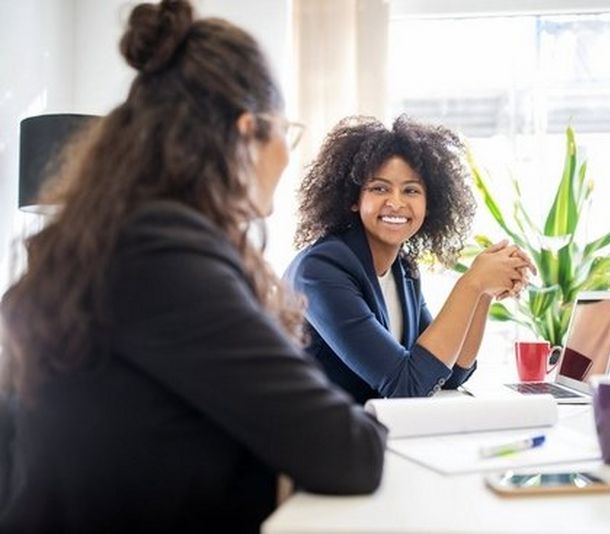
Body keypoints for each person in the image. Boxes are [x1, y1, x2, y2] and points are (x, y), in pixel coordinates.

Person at [0, 1, 386, 532]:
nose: (286, 153)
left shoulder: (121, 239)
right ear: (247, 132)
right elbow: (350, 451)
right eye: (285, 131)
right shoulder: (162, 258)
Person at [285, 115, 534, 405]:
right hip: (305, 430)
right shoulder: (320, 270)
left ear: (429, 205)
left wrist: (484, 293)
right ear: (353, 198)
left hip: (363, 425)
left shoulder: (403, 269)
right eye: (379, 188)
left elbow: (448, 373)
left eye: (411, 190)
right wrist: (471, 283)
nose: (396, 202)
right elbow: (407, 386)